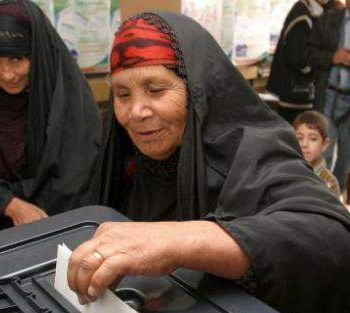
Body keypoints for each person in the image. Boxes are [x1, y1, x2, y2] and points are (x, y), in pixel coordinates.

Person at [67, 12, 350, 313]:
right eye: (122, 94)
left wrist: (179, 242)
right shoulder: (125, 160)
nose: (136, 111)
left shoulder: (252, 151)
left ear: (197, 89)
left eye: (156, 90)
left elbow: (333, 239)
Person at [0, 0, 101, 245]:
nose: (7, 74)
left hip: (58, 226)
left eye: (17, 59)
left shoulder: (69, 101)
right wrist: (8, 204)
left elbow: (76, 178)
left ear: (38, 52)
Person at [307, 0, 350, 197]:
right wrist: (334, 56)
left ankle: (337, 202)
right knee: (321, 152)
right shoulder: (328, 19)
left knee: (346, 157)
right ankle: (317, 198)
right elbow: (309, 54)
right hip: (328, 95)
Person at [267, 0, 329, 124]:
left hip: (302, 91)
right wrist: (317, 70)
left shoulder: (317, 12)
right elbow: (297, 58)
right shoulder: (302, 16)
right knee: (296, 134)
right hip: (295, 92)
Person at [293, 110, 340, 195]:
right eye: (299, 138)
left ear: (325, 144)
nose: (304, 144)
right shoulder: (285, 172)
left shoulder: (329, 181)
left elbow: (333, 208)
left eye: (313, 139)